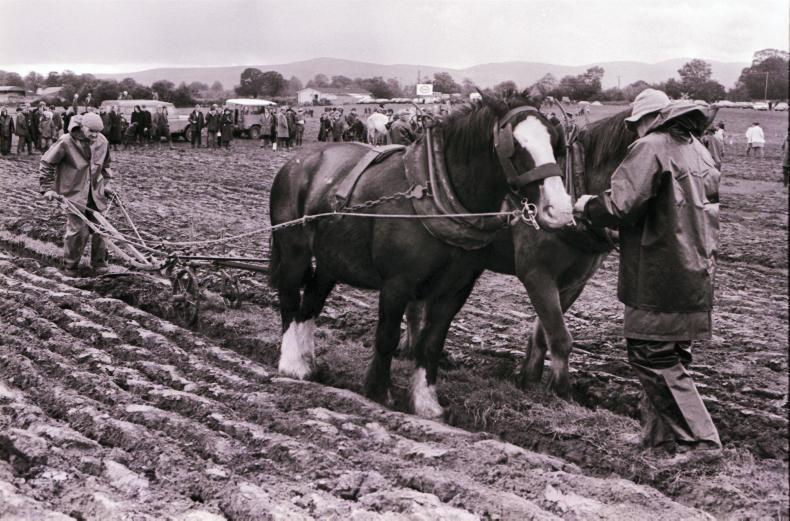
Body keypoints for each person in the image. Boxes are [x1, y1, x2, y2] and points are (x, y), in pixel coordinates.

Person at [572, 89, 722, 465]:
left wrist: (587, 205)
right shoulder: (699, 149)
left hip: (659, 274)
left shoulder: (650, 146)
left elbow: (621, 204)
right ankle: (658, 437)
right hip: (695, 272)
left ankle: (701, 443)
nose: (634, 132)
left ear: (651, 119)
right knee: (672, 356)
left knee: (651, 356)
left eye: (636, 125)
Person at [39, 113, 114, 276]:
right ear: (82, 127)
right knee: (79, 231)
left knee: (102, 229)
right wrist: (47, 188)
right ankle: (70, 267)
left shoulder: (102, 142)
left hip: (96, 193)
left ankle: (100, 264)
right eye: (91, 131)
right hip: (73, 193)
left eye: (98, 131)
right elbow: (47, 163)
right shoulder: (66, 141)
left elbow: (106, 166)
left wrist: (107, 185)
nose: (95, 135)